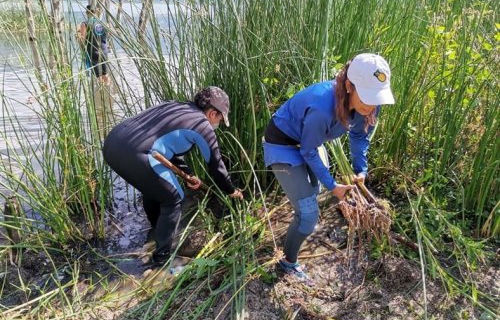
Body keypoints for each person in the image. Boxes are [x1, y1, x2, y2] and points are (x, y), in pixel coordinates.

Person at [263, 53, 395, 283]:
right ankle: (288, 263)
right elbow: (308, 151)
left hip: (310, 141)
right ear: (348, 86)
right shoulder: (323, 108)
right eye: (366, 97)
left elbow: (360, 136)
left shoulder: (371, 105)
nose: (371, 105)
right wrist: (333, 185)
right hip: (283, 144)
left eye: (376, 98)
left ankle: (298, 227)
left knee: (313, 194)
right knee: (308, 213)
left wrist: (360, 169)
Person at [103, 86, 243, 266]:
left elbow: (167, 148)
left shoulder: (177, 107)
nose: (219, 124)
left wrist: (190, 175)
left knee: (154, 187)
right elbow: (216, 167)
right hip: (136, 154)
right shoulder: (202, 125)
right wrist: (231, 191)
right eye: (221, 119)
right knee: (174, 199)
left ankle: (157, 232)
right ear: (213, 113)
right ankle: (161, 259)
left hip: (113, 143)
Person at [76, 5, 111, 85]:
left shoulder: (85, 24)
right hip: (104, 51)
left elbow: (82, 39)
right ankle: (108, 89)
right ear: (95, 12)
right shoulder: (103, 23)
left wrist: (78, 38)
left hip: (93, 52)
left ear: (87, 13)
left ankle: (102, 92)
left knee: (98, 76)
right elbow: (108, 35)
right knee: (105, 74)